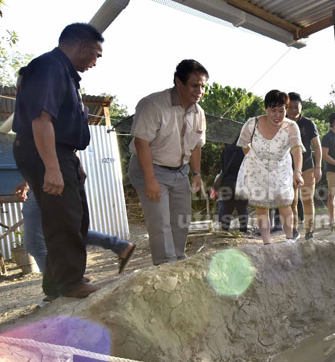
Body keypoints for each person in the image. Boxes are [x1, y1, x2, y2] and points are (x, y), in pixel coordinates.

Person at [12, 23, 104, 298]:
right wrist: (52, 167)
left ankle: (59, 280)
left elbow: (64, 127)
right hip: (44, 151)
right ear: (84, 47)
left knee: (73, 216)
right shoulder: (49, 67)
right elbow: (42, 119)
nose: (95, 61)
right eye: (96, 54)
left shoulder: (65, 73)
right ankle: (69, 282)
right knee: (64, 218)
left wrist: (73, 162)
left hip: (60, 152)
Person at [128, 59, 207, 265]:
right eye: (194, 85)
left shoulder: (199, 113)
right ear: (178, 82)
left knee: (181, 220)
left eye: (203, 86)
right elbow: (141, 142)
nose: (199, 91)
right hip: (150, 168)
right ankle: (165, 266)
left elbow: (196, 145)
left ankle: (178, 261)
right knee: (160, 222)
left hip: (180, 172)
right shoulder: (153, 105)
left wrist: (196, 174)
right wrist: (150, 180)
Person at [14, 181, 135, 275]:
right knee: (65, 233)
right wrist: (28, 180)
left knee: (35, 244)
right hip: (43, 184)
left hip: (45, 185)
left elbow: (47, 155)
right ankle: (119, 246)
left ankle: (57, 285)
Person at [235, 90, 304, 245]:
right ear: (266, 109)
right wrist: (254, 159)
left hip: (282, 168)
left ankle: (289, 239)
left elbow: (297, 149)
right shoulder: (252, 124)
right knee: (262, 206)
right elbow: (244, 144)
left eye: (281, 111)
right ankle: (267, 242)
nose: (277, 115)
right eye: (273, 111)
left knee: (285, 202)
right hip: (258, 169)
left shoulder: (291, 126)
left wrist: (297, 172)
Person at [287, 92, 322, 240]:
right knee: (292, 201)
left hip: (307, 167)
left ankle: (309, 231)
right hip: (287, 168)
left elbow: (317, 146)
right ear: (286, 108)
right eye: (291, 107)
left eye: (297, 107)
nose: (294, 110)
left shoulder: (308, 123)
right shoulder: (282, 123)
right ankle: (294, 231)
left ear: (301, 107)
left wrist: (318, 167)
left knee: (307, 199)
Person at [216, 140, 248, 233]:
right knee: (242, 208)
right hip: (241, 182)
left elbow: (222, 166)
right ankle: (243, 230)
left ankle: (225, 229)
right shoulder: (245, 150)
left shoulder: (226, 150)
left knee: (227, 208)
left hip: (227, 182)